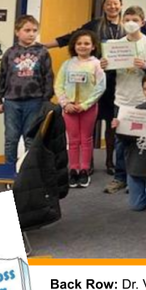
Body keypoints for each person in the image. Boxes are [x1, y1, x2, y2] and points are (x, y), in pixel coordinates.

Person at [45, 0, 124, 175]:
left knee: (111, 124)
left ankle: (109, 162)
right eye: (108, 4)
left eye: (115, 3)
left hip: (117, 82)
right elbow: (72, 37)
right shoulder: (94, 25)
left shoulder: (125, 28)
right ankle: (87, 163)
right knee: (90, 122)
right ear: (103, 6)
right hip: (92, 81)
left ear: (121, 6)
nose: (112, 7)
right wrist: (45, 45)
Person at [102, 6, 146, 194]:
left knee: (142, 141)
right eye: (127, 20)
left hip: (142, 100)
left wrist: (145, 67)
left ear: (142, 22)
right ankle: (120, 178)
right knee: (121, 141)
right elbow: (110, 74)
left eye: (134, 19)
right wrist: (105, 66)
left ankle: (137, 179)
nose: (130, 23)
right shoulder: (115, 45)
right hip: (122, 99)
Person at [0, 15, 54, 166]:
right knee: (11, 138)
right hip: (12, 101)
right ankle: (9, 169)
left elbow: (48, 76)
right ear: (17, 32)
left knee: (31, 138)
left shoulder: (42, 52)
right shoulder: (10, 53)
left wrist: (46, 100)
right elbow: (1, 76)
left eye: (34, 30)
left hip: (35, 101)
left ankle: (28, 170)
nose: (31, 34)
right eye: (27, 30)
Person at [54, 30, 107, 188]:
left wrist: (85, 105)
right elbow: (59, 85)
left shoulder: (96, 64)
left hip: (88, 108)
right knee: (73, 140)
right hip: (69, 108)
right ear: (74, 46)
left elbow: (100, 87)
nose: (82, 46)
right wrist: (65, 104)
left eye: (86, 43)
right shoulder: (67, 64)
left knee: (86, 139)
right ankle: (73, 169)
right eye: (79, 43)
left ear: (93, 46)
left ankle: (84, 169)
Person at [113, 73, 146, 213]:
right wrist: (119, 128)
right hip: (135, 166)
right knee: (136, 206)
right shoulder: (138, 110)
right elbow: (125, 140)